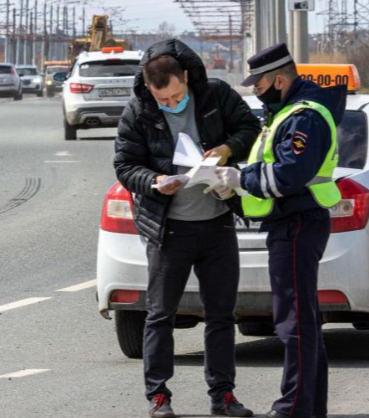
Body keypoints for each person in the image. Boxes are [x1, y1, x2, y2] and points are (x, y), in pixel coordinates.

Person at [114, 39, 261, 418]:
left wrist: (227, 151)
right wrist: (154, 181)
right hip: (169, 230)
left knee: (221, 315)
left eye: (176, 96)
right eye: (162, 100)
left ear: (185, 78)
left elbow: (249, 127)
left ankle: (223, 396)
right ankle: (159, 396)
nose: (169, 104)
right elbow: (126, 166)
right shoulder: (138, 111)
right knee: (160, 315)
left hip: (216, 224)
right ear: (149, 88)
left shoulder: (215, 95)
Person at [216, 43, 346, 418]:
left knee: (294, 324)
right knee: (300, 321)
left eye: (258, 84)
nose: (255, 91)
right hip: (292, 223)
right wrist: (238, 186)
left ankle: (292, 408)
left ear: (279, 78)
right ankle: (308, 408)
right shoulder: (287, 112)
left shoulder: (304, 117)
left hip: (297, 222)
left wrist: (243, 178)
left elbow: (290, 173)